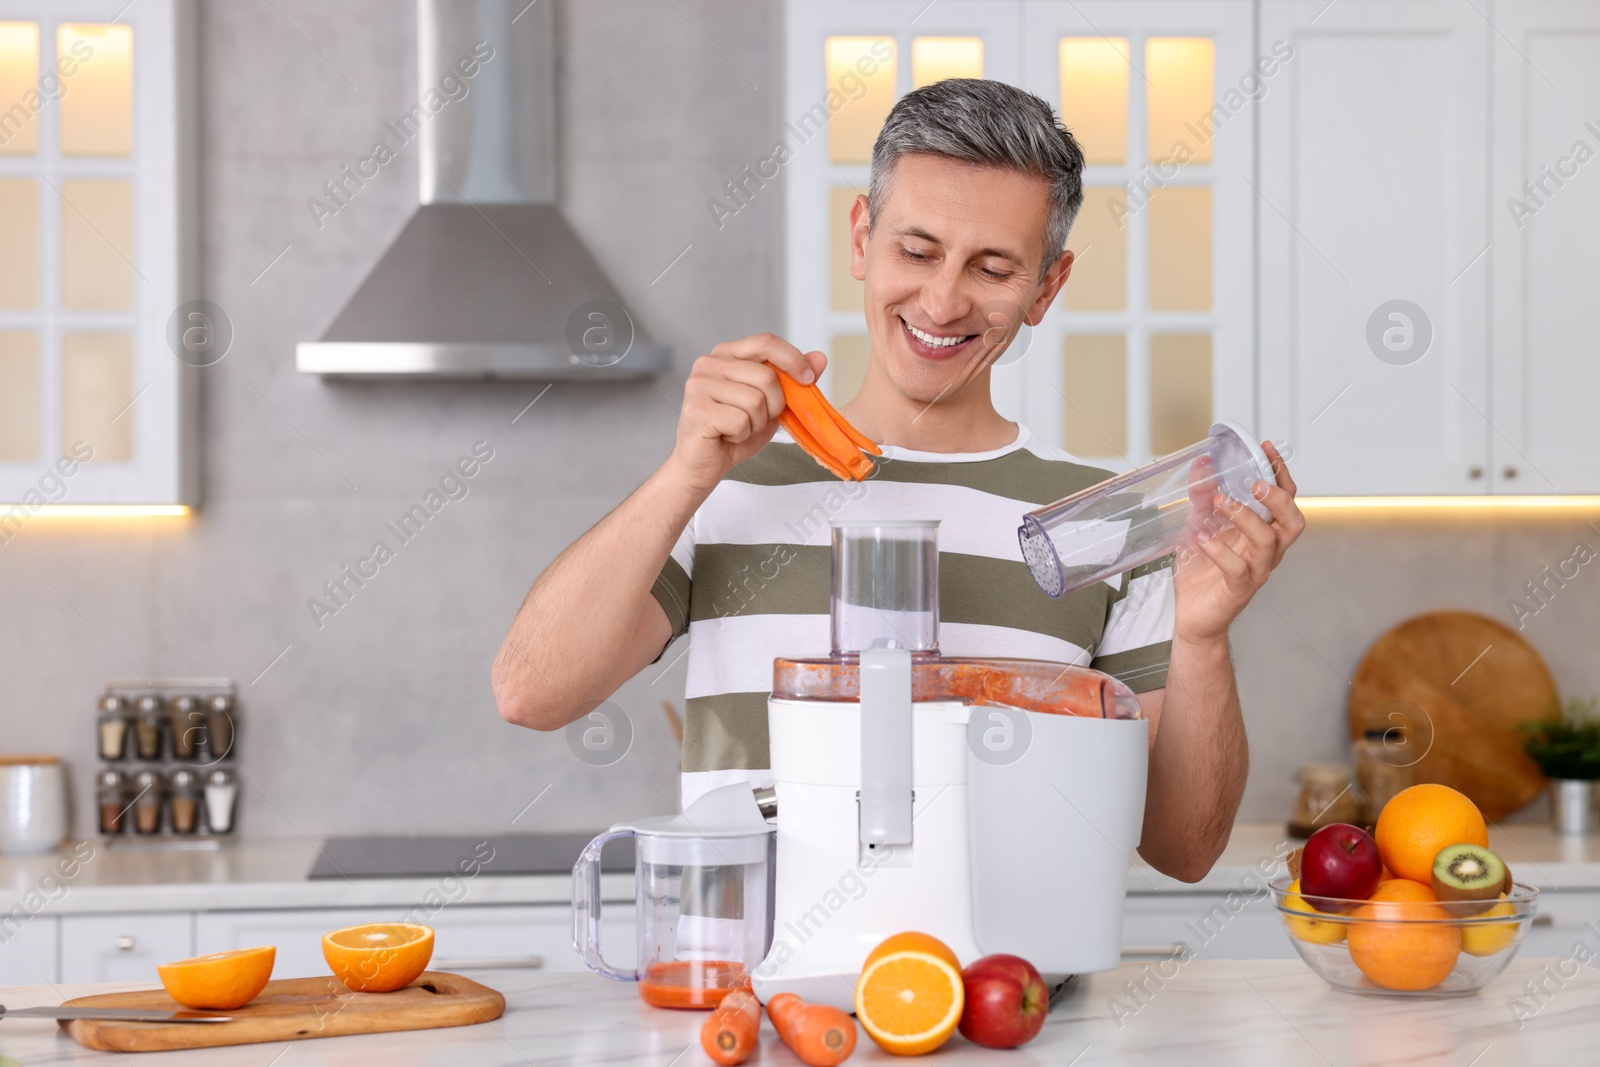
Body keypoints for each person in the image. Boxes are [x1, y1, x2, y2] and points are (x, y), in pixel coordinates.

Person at [493, 79, 1305, 882]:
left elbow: (1184, 848)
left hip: (1004, 1001)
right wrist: (683, 474)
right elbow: (531, 692)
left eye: (992, 268)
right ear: (861, 238)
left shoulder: (1101, 521)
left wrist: (1200, 637)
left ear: (1044, 289)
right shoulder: (729, 485)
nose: (943, 300)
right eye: (916, 252)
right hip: (753, 1005)